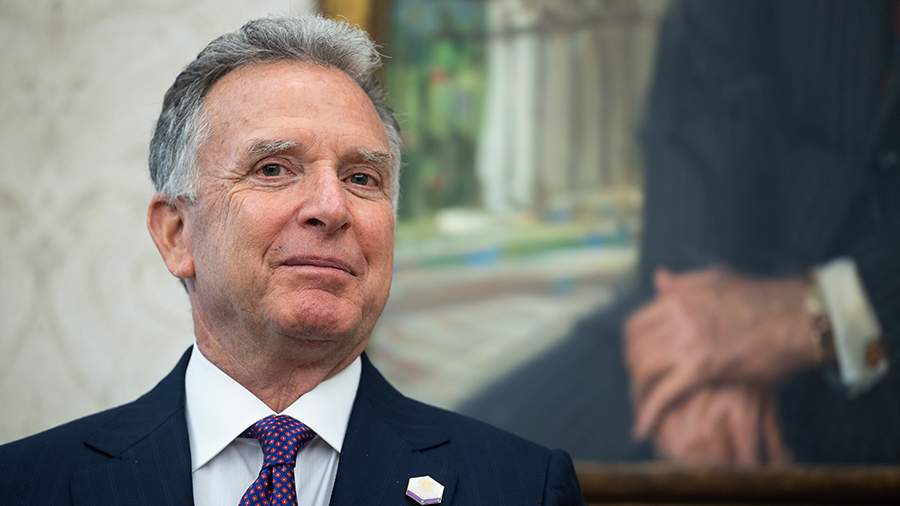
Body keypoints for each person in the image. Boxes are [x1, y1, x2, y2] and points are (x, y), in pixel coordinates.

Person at [0, 16, 584, 505]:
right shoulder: (27, 484)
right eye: (274, 169)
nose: (331, 207)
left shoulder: (522, 487)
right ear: (176, 234)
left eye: (362, 177)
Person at [463, 0, 900, 466]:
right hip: (722, 306)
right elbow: (698, 108)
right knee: (458, 465)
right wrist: (700, 358)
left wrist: (835, 311)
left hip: (881, 351)